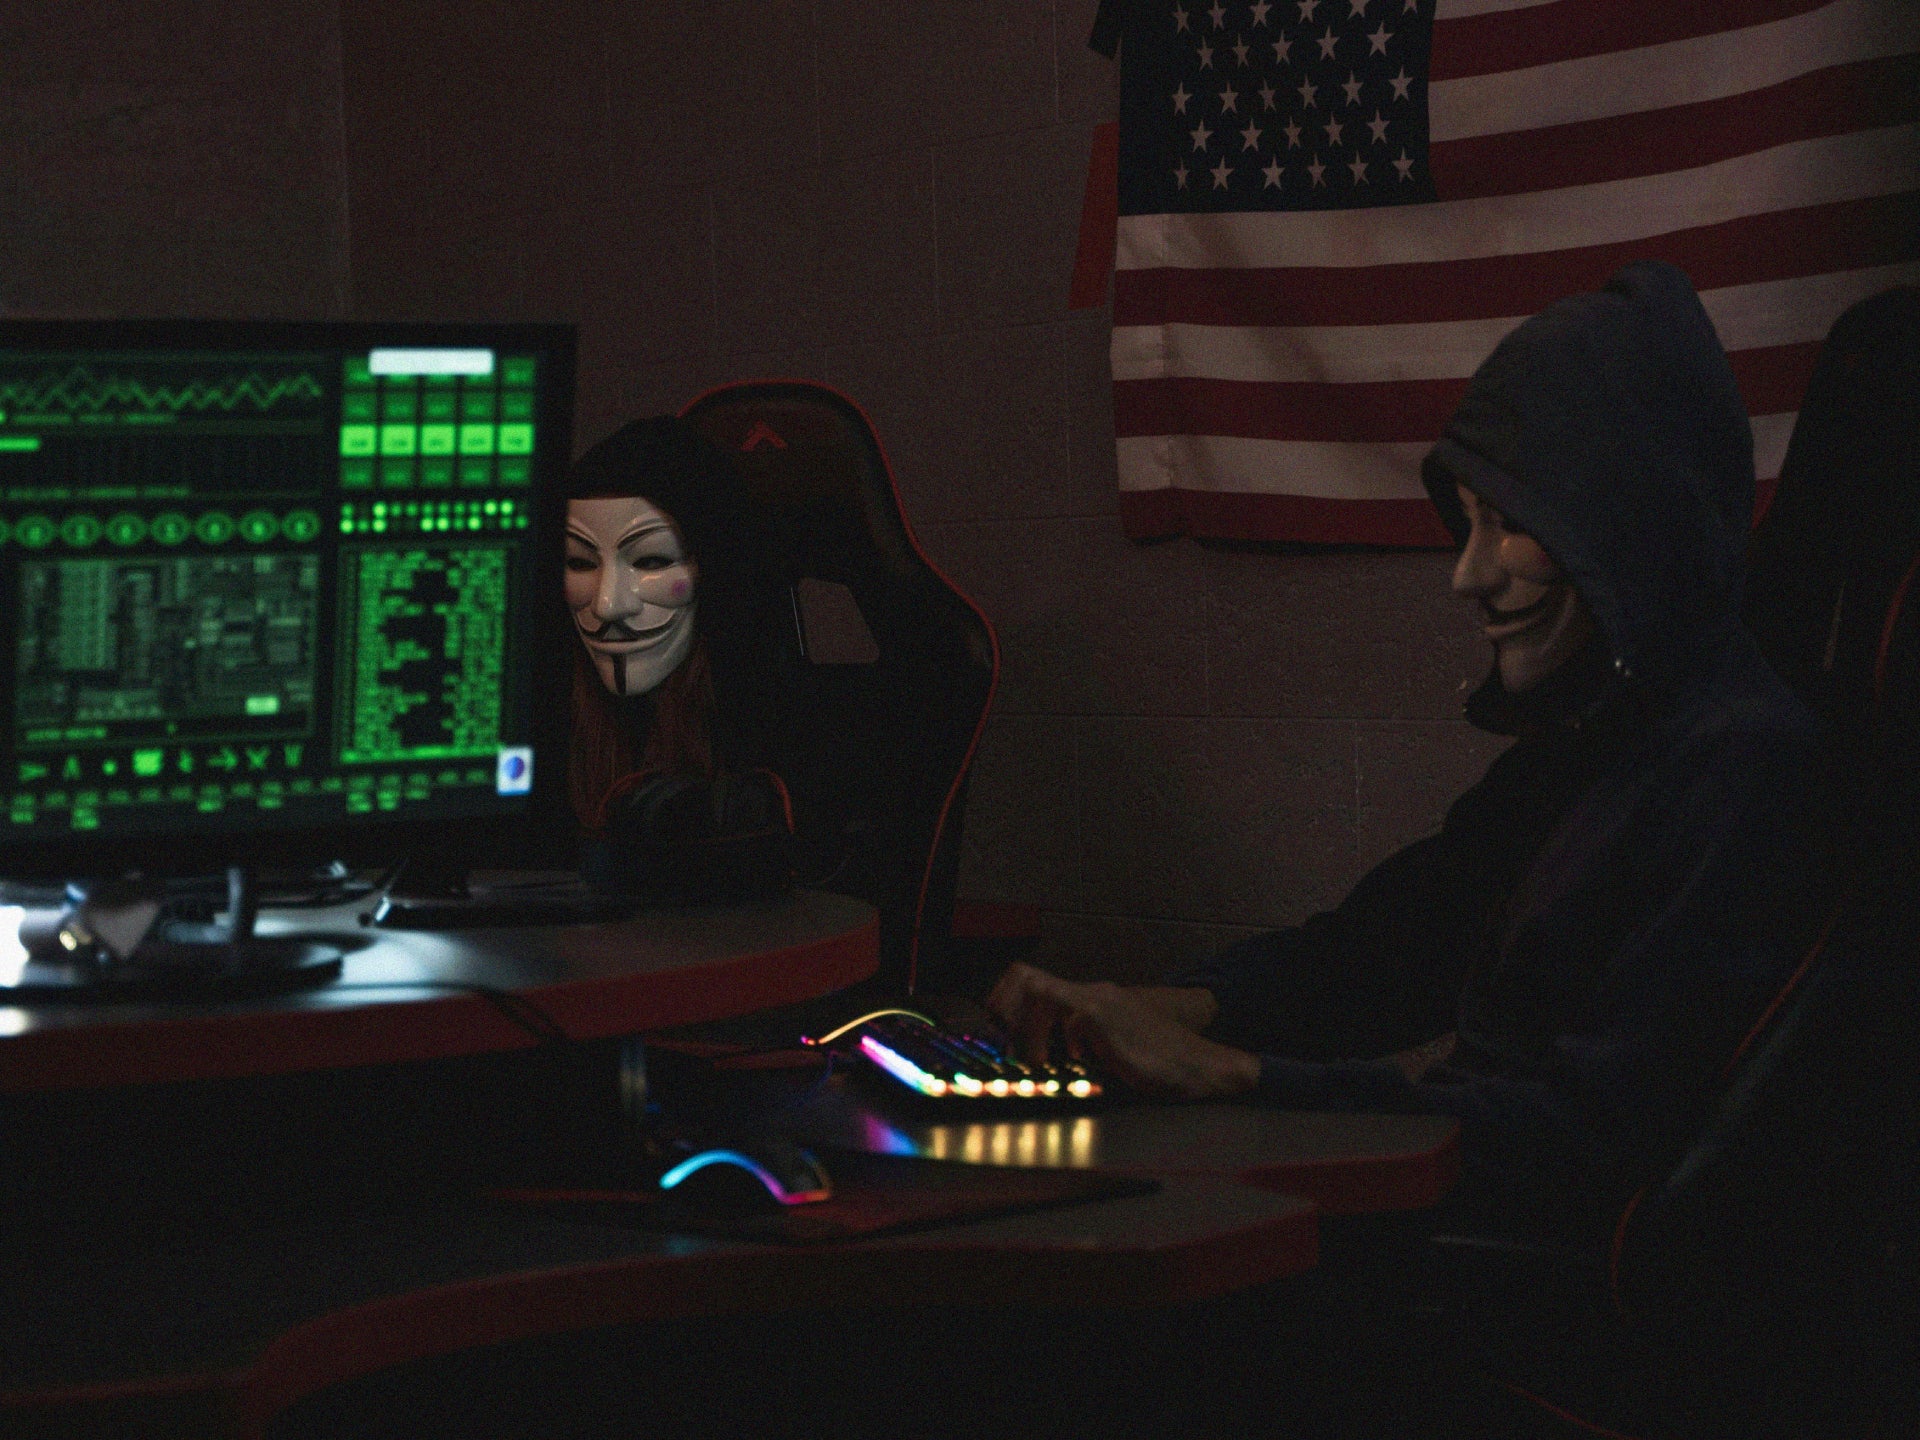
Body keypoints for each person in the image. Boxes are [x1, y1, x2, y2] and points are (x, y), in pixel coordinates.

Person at [988, 261, 1830, 1237]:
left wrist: (1233, 1077)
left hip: (1536, 1287)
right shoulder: (1589, 741)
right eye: (1467, 525)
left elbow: (1586, 1138)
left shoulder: (1746, 771)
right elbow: (1382, 954)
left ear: (1627, 526)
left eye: (1511, 526)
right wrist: (1159, 1010)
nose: (1468, 577)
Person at [565, 416, 793, 899]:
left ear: (716, 571)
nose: (609, 604)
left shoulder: (776, 742)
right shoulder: (546, 733)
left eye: (651, 560)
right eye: (581, 562)